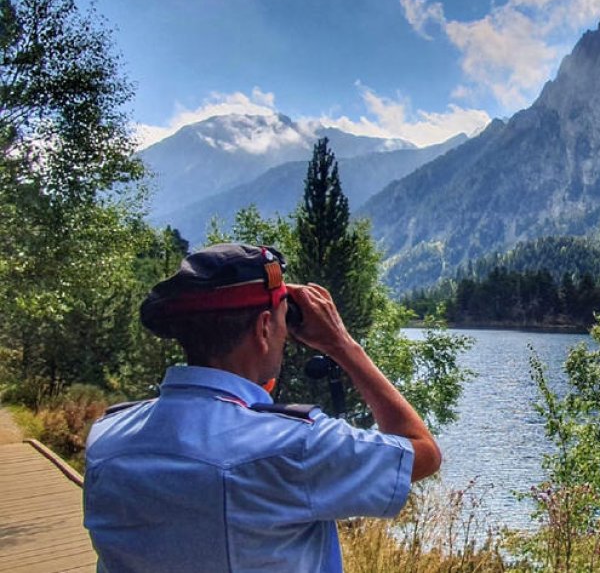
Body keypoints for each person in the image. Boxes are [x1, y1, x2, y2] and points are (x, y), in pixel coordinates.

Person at [83, 243, 441, 572]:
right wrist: (342, 345)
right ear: (265, 327)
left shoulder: (108, 437)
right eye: (284, 321)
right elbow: (423, 452)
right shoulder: (296, 447)